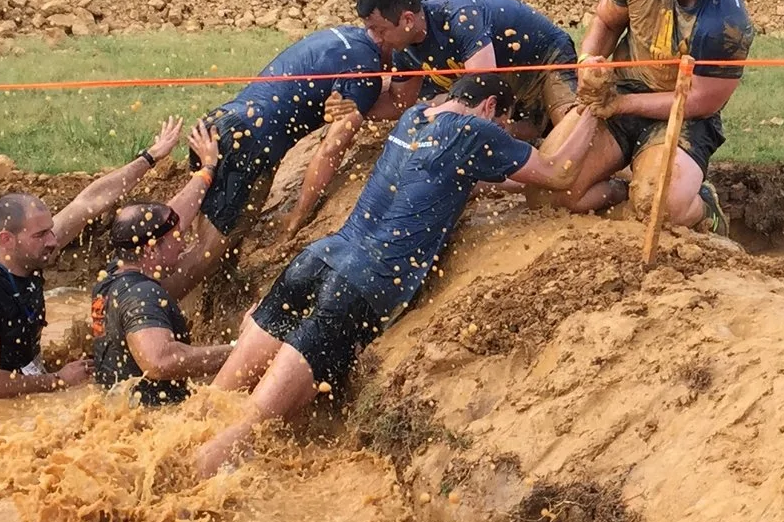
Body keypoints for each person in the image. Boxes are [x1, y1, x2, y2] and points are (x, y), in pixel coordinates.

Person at [194, 75, 600, 477]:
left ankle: (167, 452)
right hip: (359, 287)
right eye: (504, 126)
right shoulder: (474, 130)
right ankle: (180, 496)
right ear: (490, 107)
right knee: (253, 424)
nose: (503, 134)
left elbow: (463, 182)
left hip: (316, 260)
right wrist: (595, 109)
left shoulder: (415, 118)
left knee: (217, 398)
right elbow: (560, 173)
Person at [162, 0, 428, 298]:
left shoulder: (346, 38)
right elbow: (332, 147)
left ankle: (182, 311)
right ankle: (142, 319)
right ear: (387, 36)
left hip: (222, 123)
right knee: (205, 254)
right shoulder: (366, 69)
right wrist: (298, 216)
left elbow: (359, 99)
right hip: (251, 143)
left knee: (212, 243)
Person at [0, 115, 189, 398]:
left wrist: (150, 157)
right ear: (7, 240)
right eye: (41, 235)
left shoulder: (25, 254)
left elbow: (88, 203)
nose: (54, 241)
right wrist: (57, 380)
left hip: (24, 381)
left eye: (50, 230)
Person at [565, 0, 754, 232]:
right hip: (620, 95)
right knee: (551, 191)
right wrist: (588, 60)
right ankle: (629, 187)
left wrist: (620, 104)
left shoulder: (727, 24)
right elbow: (607, 22)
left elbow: (700, 101)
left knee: (661, 209)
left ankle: (704, 209)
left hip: (682, 119)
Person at [89, 142, 236, 406]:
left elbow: (165, 217)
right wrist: (238, 350)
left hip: (116, 409)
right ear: (151, 248)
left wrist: (207, 171)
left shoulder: (112, 277)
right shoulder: (141, 294)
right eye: (177, 237)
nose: (183, 242)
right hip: (152, 420)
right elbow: (160, 362)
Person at [392, 0, 581, 132]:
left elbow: (481, 90)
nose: (376, 38)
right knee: (519, 142)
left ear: (407, 20)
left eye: (379, 30)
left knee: (570, 129)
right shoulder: (402, 47)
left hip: (546, 57)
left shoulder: (460, 17)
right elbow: (402, 103)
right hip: (509, 83)